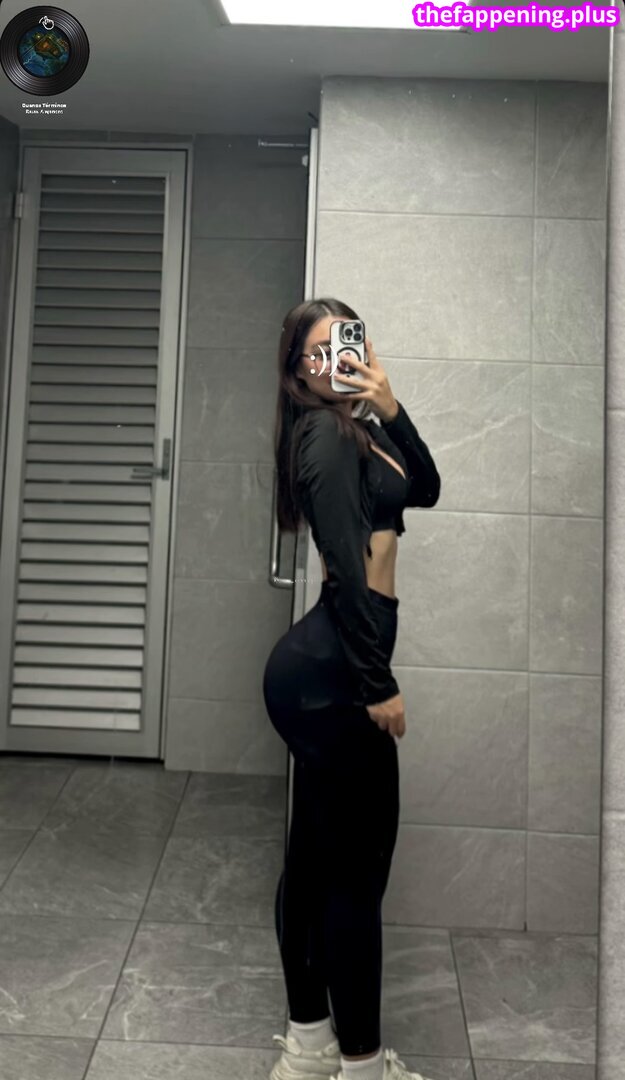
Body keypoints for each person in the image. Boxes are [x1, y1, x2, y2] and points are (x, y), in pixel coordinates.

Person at [263, 298, 441, 1080]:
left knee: (316, 863)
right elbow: (344, 569)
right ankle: (362, 1067)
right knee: (355, 876)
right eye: (317, 352)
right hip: (334, 673)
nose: (332, 362)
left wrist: (390, 407)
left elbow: (425, 489)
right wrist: (378, 684)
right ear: (298, 369)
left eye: (344, 344)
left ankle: (308, 1049)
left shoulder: (359, 429)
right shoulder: (324, 438)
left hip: (331, 669)